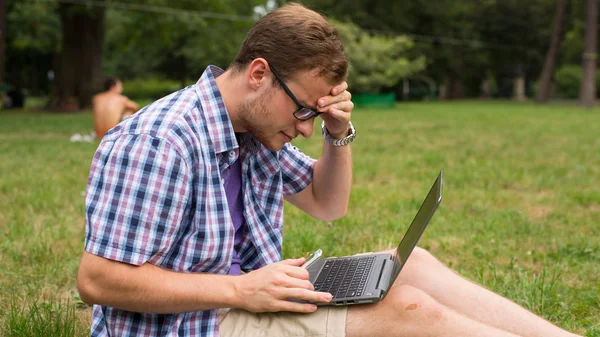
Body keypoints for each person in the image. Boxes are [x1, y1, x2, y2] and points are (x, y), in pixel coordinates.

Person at [77, 3, 582, 337]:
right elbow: (98, 280)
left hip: (249, 300)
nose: (303, 128)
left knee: (415, 264)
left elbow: (327, 203)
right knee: (408, 313)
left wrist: (335, 133)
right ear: (259, 75)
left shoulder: (254, 130)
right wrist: (239, 289)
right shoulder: (159, 141)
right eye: (303, 111)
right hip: (194, 324)